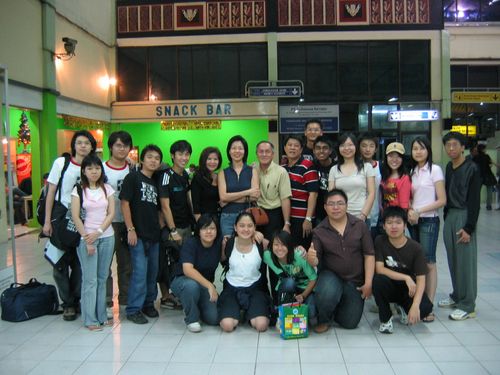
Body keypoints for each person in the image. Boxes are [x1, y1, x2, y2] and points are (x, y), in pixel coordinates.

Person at [42, 130, 97, 321]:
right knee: (59, 263)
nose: (83, 146)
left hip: (84, 218)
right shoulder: (61, 163)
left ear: (92, 146)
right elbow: (51, 192)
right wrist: (47, 221)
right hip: (61, 217)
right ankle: (67, 303)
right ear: (73, 145)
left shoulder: (93, 166)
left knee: (80, 263)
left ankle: (75, 300)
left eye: (87, 143)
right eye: (79, 142)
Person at [307, 189, 375, 333]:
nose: (335, 207)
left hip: (355, 281)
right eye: (331, 204)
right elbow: (315, 259)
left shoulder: (360, 226)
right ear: (325, 207)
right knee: (327, 290)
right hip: (331, 277)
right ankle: (324, 318)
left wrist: (368, 282)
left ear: (346, 205)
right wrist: (311, 259)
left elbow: (369, 255)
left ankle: (334, 306)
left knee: (350, 323)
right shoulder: (319, 231)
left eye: (339, 203)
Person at [439, 132, 481, 321]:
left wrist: (469, 227)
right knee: (453, 260)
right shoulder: (449, 166)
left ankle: (468, 304)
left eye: (455, 145)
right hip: (451, 216)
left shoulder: (472, 168)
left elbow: (474, 201)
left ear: (462, 147)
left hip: (464, 216)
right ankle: (457, 295)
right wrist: (447, 217)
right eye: (448, 145)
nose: (451, 149)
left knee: (465, 263)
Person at [71, 154, 115, 331]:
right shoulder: (78, 190)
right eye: (90, 168)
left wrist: (98, 232)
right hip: (86, 239)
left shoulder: (107, 189)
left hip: (106, 237)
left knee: (103, 278)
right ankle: (90, 319)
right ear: (84, 171)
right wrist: (87, 238)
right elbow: (75, 216)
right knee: (90, 280)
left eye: (97, 168)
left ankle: (101, 315)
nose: (94, 171)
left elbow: (111, 213)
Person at [373, 206, 433, 334]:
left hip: (408, 290)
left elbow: (422, 280)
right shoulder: (380, 241)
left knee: (425, 308)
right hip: (390, 285)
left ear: (405, 225)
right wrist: (406, 277)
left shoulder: (416, 248)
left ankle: (403, 308)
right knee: (378, 281)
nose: (393, 227)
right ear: (384, 226)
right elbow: (379, 269)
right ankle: (386, 319)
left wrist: (415, 306)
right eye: (389, 223)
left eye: (398, 223)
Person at [120, 144, 163, 324]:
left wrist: (160, 226)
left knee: (152, 273)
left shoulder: (156, 181)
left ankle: (148, 303)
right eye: (150, 157)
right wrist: (130, 229)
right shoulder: (133, 178)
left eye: (157, 158)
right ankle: (133, 309)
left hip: (154, 235)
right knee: (139, 272)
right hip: (137, 235)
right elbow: (124, 203)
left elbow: (160, 208)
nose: (153, 160)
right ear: (142, 159)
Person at [407, 136, 446, 322]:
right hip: (413, 221)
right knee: (417, 262)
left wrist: (418, 210)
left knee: (429, 262)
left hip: (429, 220)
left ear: (428, 150)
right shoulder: (413, 171)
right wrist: (410, 210)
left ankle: (429, 306)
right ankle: (420, 302)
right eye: (415, 148)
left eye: (422, 148)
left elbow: (442, 200)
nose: (418, 152)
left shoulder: (435, 170)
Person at [218, 212, 271, 332]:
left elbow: (280, 247)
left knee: (261, 325)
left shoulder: (260, 242)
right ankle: (238, 311)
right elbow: (223, 260)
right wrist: (222, 246)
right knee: (228, 326)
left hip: (255, 288)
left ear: (255, 227)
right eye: (242, 226)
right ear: (235, 227)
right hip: (232, 287)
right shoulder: (229, 242)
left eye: (250, 226)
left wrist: (300, 250)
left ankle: (249, 312)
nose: (246, 229)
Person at [158, 140, 194, 309]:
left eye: (186, 154)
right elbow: (165, 205)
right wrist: (172, 230)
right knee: (169, 262)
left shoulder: (185, 175)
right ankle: (166, 296)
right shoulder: (166, 175)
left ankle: (180, 293)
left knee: (182, 261)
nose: (184, 157)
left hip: (186, 226)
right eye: (180, 154)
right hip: (174, 228)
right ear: (172, 155)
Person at [170, 214, 221, 332]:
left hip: (203, 285)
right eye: (204, 228)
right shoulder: (191, 243)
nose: (209, 231)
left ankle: (195, 305)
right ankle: (191, 319)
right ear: (198, 231)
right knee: (191, 286)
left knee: (214, 319)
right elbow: (187, 270)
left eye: (212, 228)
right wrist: (210, 285)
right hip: (182, 280)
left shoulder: (218, 244)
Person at [103, 131, 133, 316]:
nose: (122, 149)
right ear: (111, 147)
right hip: (106, 223)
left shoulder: (133, 169)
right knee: (105, 265)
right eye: (118, 145)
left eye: (125, 145)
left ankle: (125, 300)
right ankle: (106, 302)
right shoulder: (101, 168)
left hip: (127, 223)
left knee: (126, 264)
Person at [263, 230, 317, 325]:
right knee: (289, 282)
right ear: (271, 245)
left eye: (283, 245)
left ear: (290, 245)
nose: (279, 248)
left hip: (305, 289)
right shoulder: (268, 256)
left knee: (312, 318)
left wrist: (303, 295)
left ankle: (298, 308)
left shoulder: (299, 256)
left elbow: (313, 279)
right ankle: (282, 314)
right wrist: (255, 234)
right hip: (287, 288)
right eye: (276, 244)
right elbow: (257, 243)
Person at [328, 133, 375, 224]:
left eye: (350, 145)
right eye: (343, 145)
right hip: (340, 217)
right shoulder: (334, 170)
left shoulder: (367, 167)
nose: (346, 148)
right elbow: (331, 196)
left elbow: (371, 193)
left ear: (356, 147)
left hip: (361, 217)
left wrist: (363, 215)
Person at [282, 135, 319, 249]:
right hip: (287, 218)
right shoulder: (283, 167)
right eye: (290, 145)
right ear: (284, 148)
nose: (292, 148)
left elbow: (314, 194)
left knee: (302, 252)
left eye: (296, 146)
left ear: (301, 149)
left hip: (302, 220)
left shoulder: (307, 166)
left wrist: (308, 219)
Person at [218, 136, 260, 237]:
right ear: (229, 151)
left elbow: (255, 196)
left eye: (240, 148)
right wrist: (247, 192)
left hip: (247, 216)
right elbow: (223, 197)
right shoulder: (222, 173)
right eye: (233, 148)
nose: (237, 151)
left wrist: (229, 199)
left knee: (247, 248)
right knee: (227, 248)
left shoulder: (252, 170)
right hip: (227, 217)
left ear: (245, 151)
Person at [359, 133, 382, 239]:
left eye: (371, 146)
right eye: (364, 145)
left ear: (376, 149)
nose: (367, 149)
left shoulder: (381, 166)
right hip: (359, 212)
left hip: (377, 213)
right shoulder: (354, 166)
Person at [191, 147, 222, 221]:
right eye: (209, 159)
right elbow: (196, 205)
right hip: (204, 220)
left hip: (218, 218)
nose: (212, 162)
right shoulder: (198, 178)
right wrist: (200, 224)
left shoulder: (219, 176)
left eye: (215, 159)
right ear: (203, 160)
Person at [380, 142, 411, 211]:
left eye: (398, 156)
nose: (394, 160)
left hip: (396, 218)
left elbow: (404, 207)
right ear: (386, 158)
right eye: (391, 156)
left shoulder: (405, 178)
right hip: (383, 218)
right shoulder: (383, 175)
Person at [313, 136, 335, 223]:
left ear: (330, 151)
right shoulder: (311, 167)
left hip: (334, 210)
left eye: (325, 148)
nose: (321, 151)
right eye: (318, 148)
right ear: (314, 151)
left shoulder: (337, 167)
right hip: (317, 213)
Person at [472, 144, 498, 210]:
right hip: (487, 175)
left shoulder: (475, 157)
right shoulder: (486, 156)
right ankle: (488, 206)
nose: (486, 150)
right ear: (482, 149)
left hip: (478, 176)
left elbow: (473, 166)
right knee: (489, 191)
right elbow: (490, 164)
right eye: (485, 148)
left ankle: (477, 205)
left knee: (477, 191)